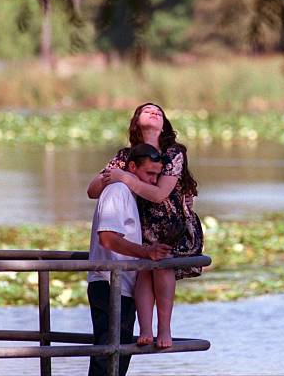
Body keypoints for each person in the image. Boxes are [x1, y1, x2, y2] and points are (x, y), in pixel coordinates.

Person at [87, 102, 204, 349]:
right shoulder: (125, 157)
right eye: (147, 110)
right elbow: (92, 190)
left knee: (161, 266)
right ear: (136, 121)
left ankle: (164, 328)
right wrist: (115, 175)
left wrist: (127, 178)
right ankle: (146, 329)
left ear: (164, 125)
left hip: (172, 226)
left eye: (159, 112)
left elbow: (160, 194)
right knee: (143, 272)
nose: (154, 112)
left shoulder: (173, 153)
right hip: (143, 226)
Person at [87, 144, 172, 376]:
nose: (153, 181)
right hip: (109, 285)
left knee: (117, 359)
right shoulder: (118, 191)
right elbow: (107, 238)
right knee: (108, 361)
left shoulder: (129, 195)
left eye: (157, 175)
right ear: (131, 167)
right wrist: (147, 252)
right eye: (149, 173)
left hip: (122, 287)